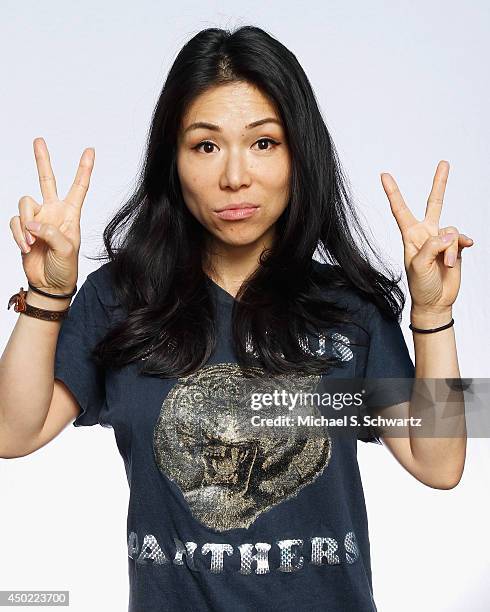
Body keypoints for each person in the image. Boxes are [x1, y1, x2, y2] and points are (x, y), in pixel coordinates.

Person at [0, 25, 472, 612]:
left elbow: (441, 461)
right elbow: (11, 433)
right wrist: (46, 297)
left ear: (301, 153)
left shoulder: (349, 308)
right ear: (172, 161)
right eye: (205, 146)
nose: (234, 177)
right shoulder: (121, 300)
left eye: (264, 143)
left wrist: (433, 312)